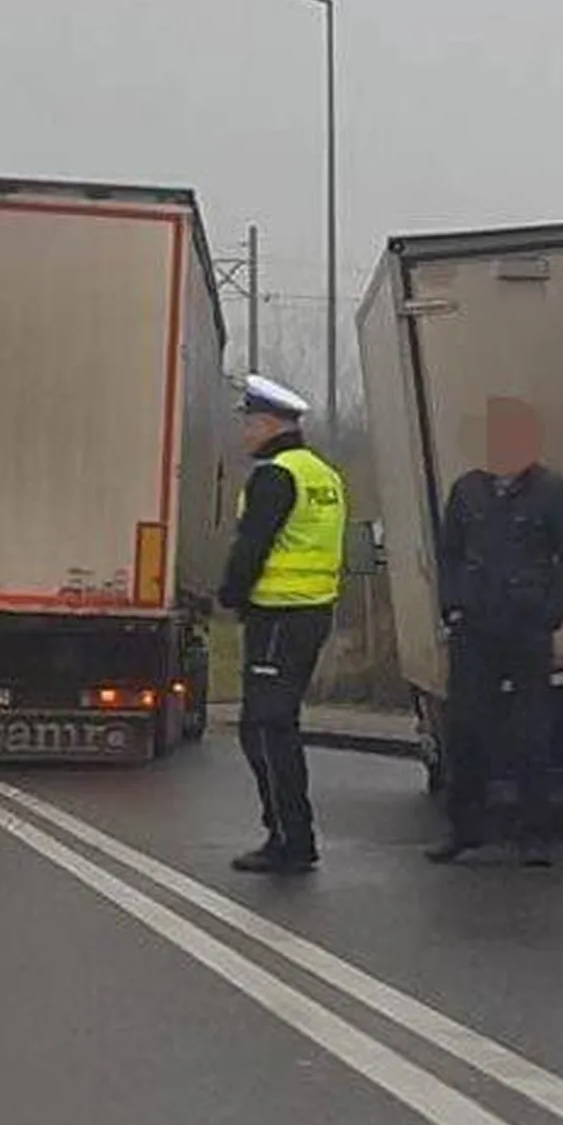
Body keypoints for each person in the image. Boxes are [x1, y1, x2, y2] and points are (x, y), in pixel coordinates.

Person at [426, 396, 563, 868]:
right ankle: (464, 828)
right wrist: (453, 607)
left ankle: (534, 834)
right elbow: (449, 554)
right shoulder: (467, 492)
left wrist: (549, 613)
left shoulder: (554, 492)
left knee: (531, 733)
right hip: (475, 628)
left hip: (526, 629)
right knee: (465, 728)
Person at [217, 375, 345, 876]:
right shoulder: (323, 474)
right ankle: (292, 834)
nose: (245, 434)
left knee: (266, 727)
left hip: (277, 614)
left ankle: (289, 837)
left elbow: (252, 544)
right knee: (278, 723)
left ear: (271, 424)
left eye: (250, 424)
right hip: (312, 612)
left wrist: (230, 594)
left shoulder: (275, 476)